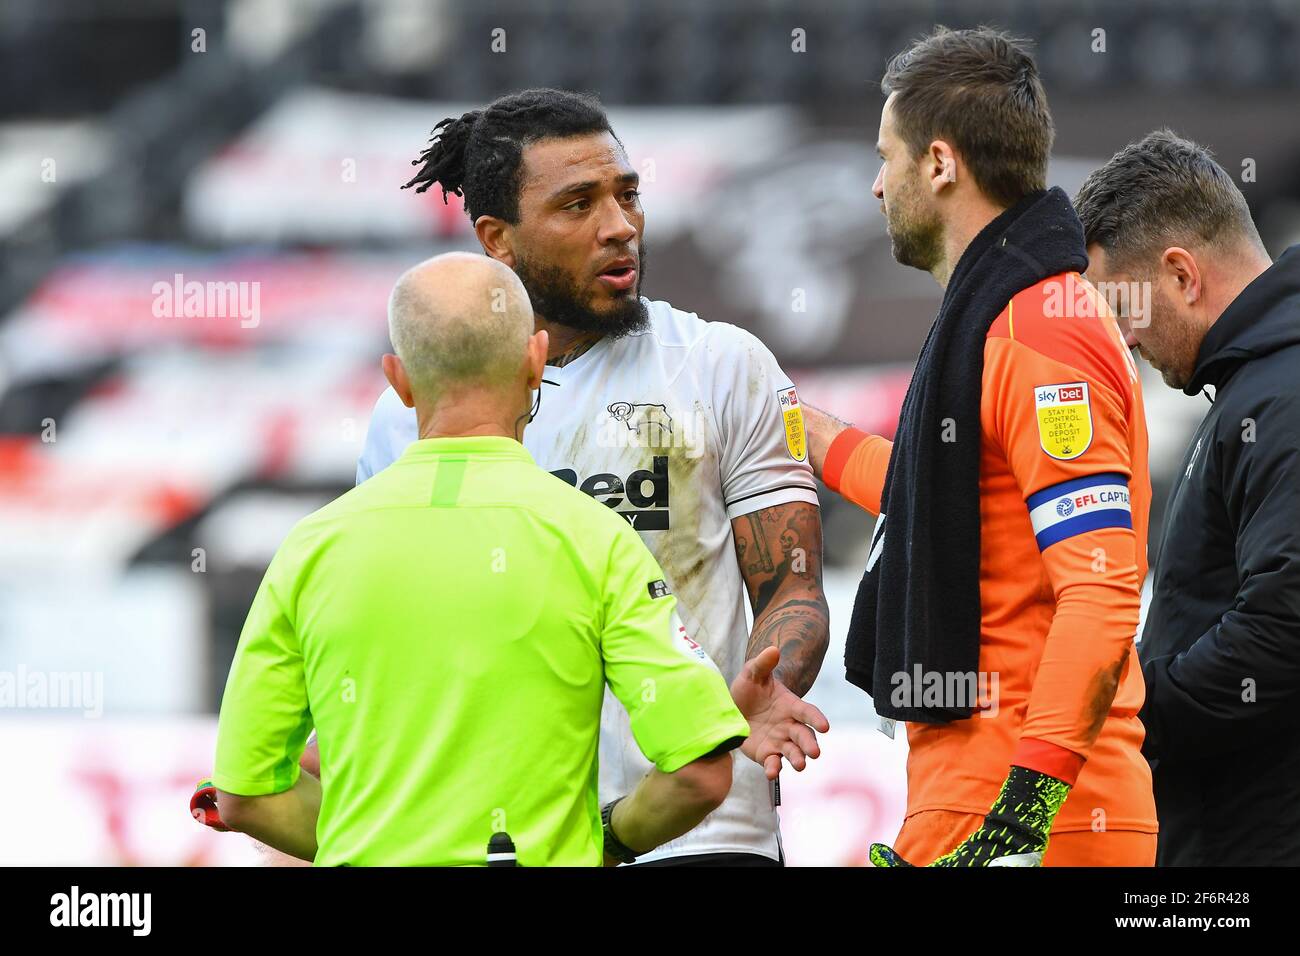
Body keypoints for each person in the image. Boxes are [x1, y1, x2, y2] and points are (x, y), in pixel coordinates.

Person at [206, 253, 828, 866]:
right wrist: (607, 839)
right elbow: (698, 775)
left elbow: (244, 792)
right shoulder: (597, 539)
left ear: (398, 381)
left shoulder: (311, 550)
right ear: (534, 362)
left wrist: (365, 843)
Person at [355, 89, 830, 866]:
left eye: (628, 194)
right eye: (578, 204)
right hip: (507, 835)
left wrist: (758, 683)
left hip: (701, 825)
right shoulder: (405, 418)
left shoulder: (721, 364)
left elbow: (793, 589)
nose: (620, 226)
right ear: (496, 239)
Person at [803, 26, 1156, 866]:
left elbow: (1102, 594)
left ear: (938, 163)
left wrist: (1021, 816)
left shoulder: (1041, 327)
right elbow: (941, 496)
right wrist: (798, 429)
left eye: (884, 157)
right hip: (979, 802)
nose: (875, 186)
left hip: (1035, 822)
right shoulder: (1005, 312)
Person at [1075, 130, 1300, 866]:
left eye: (1123, 307)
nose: (1124, 340)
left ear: (1179, 274)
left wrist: (1124, 709)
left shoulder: (1282, 395)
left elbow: (1281, 632)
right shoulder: (1250, 389)